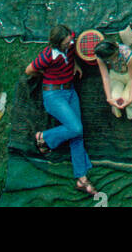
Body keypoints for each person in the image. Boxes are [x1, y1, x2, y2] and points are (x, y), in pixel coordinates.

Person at [27, 26, 96, 197]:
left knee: (77, 134)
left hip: (70, 91)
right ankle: (43, 138)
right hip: (54, 95)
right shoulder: (47, 56)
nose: (71, 43)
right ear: (57, 44)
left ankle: (81, 179)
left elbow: (73, 49)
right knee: (76, 128)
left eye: (70, 40)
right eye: (67, 43)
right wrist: (46, 74)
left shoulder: (71, 41)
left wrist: (76, 64)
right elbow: (29, 70)